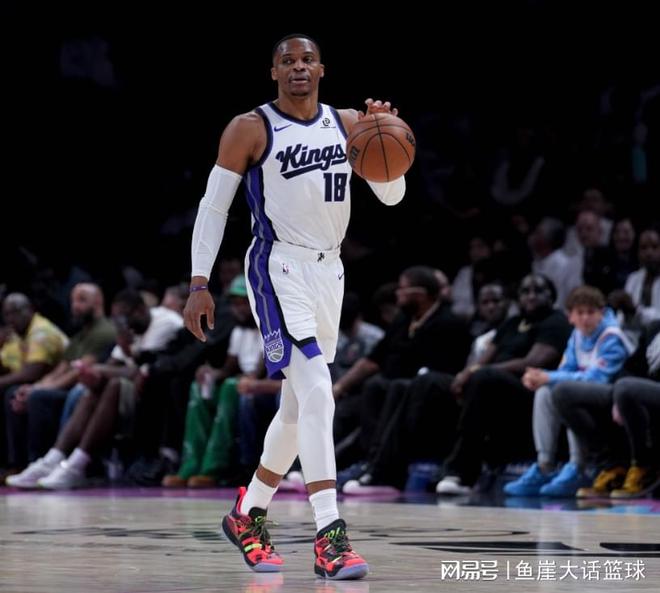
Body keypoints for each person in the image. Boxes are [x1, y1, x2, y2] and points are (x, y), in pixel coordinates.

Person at [183, 33, 407, 580]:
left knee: (294, 410)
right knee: (318, 393)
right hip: (276, 267)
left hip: (330, 272)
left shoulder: (349, 123)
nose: (298, 67)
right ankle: (330, 535)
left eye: (307, 60)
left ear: (322, 69)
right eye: (288, 61)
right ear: (274, 72)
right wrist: (199, 282)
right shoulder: (250, 127)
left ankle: (247, 513)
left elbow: (392, 196)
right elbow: (214, 207)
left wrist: (384, 135)